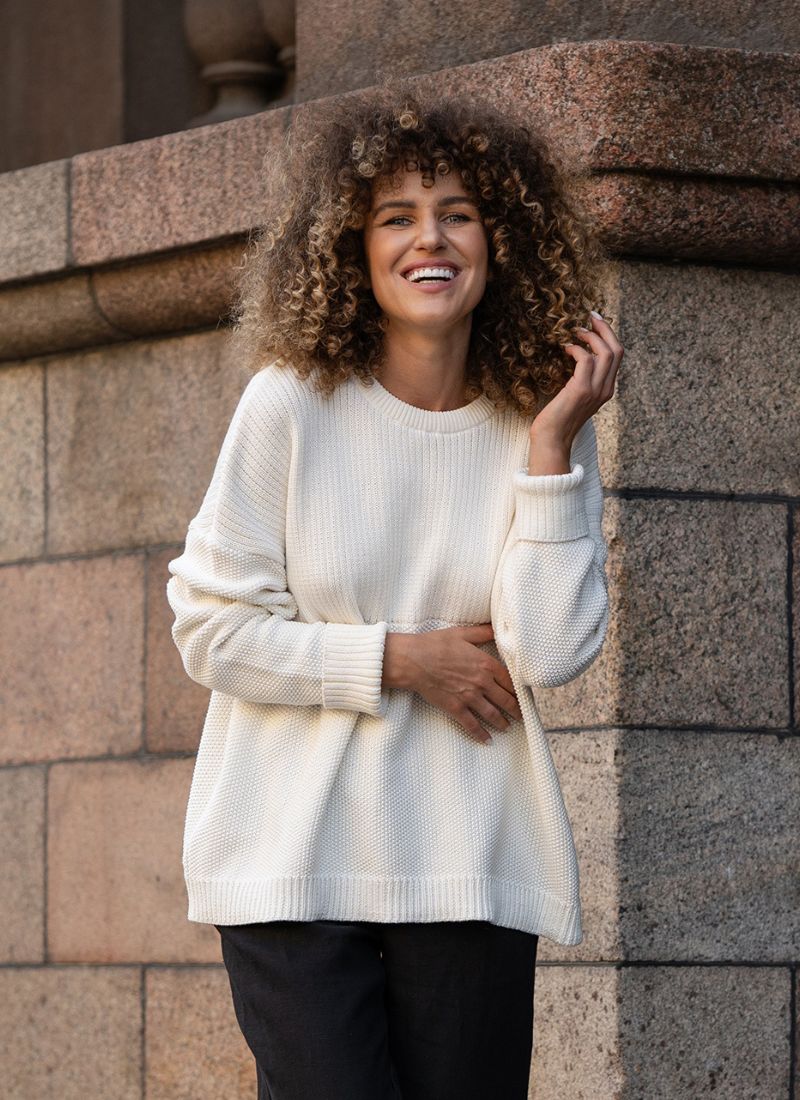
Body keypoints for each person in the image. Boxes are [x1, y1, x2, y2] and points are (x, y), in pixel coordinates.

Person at [166, 81, 622, 1100]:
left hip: (465, 857)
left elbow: (546, 651)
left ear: (500, 238)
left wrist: (549, 444)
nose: (432, 239)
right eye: (397, 217)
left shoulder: (535, 421)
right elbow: (208, 626)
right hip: (291, 856)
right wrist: (398, 658)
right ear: (350, 246)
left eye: (459, 213)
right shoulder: (289, 405)